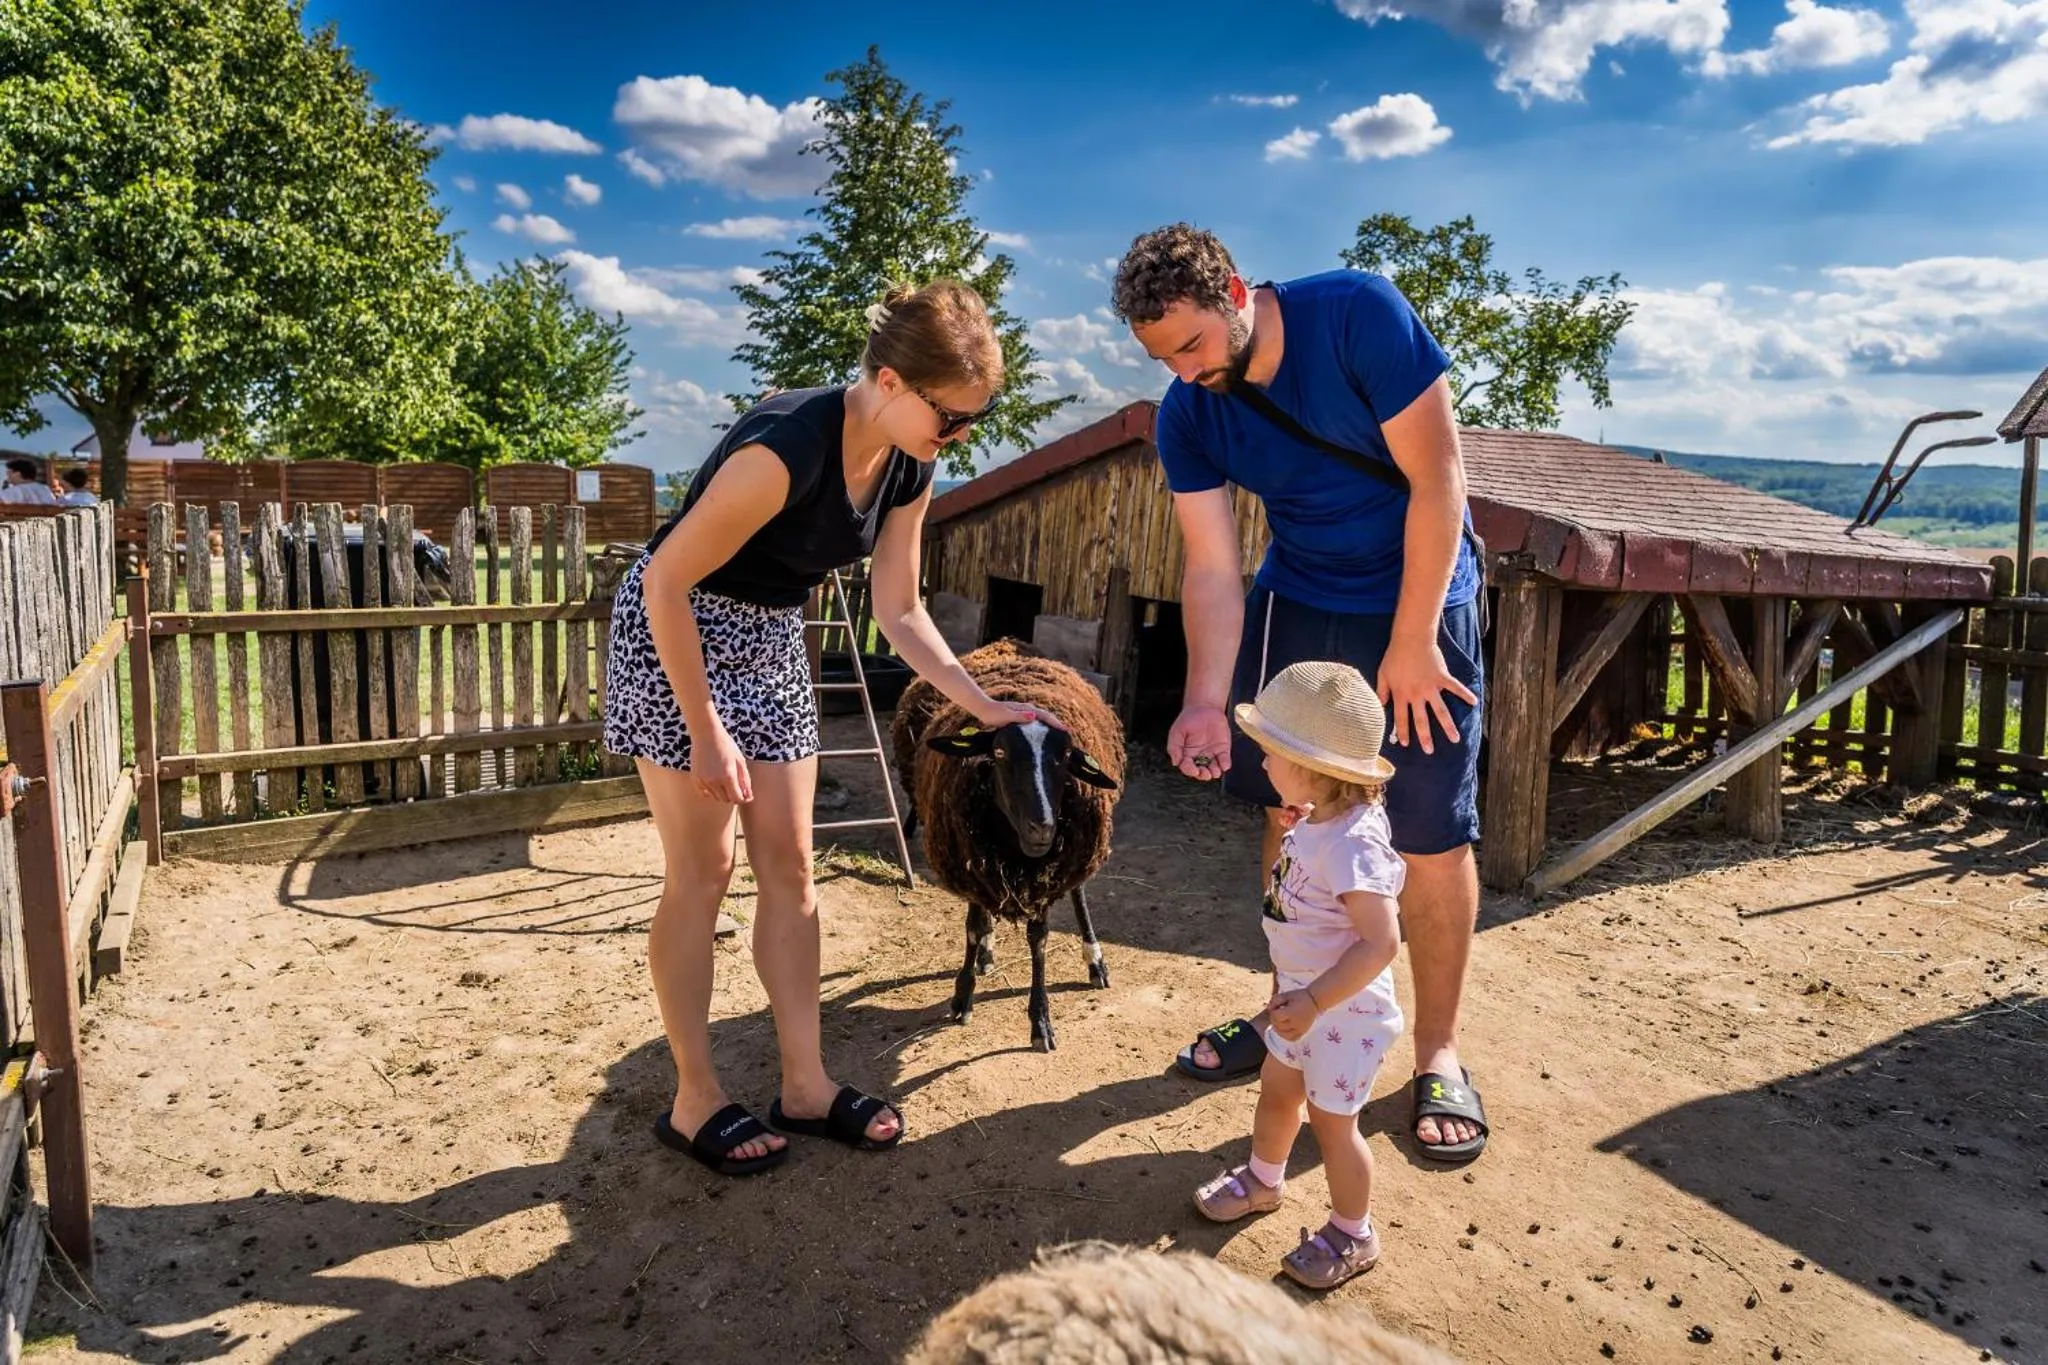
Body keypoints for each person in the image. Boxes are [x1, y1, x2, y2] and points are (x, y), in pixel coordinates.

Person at [603, 280, 1047, 1178]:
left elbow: (901, 606)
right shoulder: (783, 450)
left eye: (973, 419)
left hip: (767, 636)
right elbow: (665, 585)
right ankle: (695, 1099)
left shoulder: (910, 463)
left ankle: (803, 1084)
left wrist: (984, 702)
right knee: (705, 868)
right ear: (889, 381)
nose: (957, 436)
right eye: (949, 417)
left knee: (793, 865)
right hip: (676, 628)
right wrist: (704, 728)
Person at [1111, 224, 1490, 1162]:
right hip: (1304, 597)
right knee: (1292, 818)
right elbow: (1209, 566)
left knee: (1428, 837)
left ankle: (1439, 1050)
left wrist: (1410, 640)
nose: (1186, 371)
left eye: (1193, 344)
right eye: (1162, 357)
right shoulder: (1187, 412)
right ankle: (1293, 1009)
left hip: (1419, 593)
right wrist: (1204, 698)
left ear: (1236, 291)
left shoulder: (1359, 313)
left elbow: (1440, 479)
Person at [1190, 660, 1403, 1290]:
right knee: (1277, 1090)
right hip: (1302, 1003)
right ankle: (1263, 1179)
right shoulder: (1319, 820)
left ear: (1311, 766)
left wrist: (1314, 999)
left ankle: (1353, 1231)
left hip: (1344, 1013)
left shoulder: (1354, 844)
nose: (1261, 764)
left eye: (1270, 754)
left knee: (1333, 1124)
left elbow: (1381, 942)